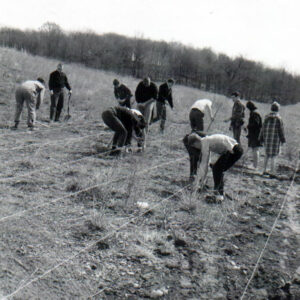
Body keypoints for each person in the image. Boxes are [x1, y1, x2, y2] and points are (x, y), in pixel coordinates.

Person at [185, 133, 243, 201]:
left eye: (195, 146)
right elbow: (207, 162)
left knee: (217, 169)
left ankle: (219, 195)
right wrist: (202, 181)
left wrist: (199, 182)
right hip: (235, 149)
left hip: (233, 150)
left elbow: (204, 164)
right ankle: (220, 192)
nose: (197, 148)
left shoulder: (204, 143)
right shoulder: (206, 140)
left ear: (195, 143)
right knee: (218, 168)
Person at [259, 101, 286, 175]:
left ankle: (264, 170)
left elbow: (262, 128)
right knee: (274, 156)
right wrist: (283, 139)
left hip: (267, 138)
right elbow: (281, 130)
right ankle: (272, 172)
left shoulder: (266, 117)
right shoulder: (278, 119)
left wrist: (261, 138)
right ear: (278, 109)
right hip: (275, 139)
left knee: (267, 154)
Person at [246, 101, 262, 169]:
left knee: (255, 149)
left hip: (255, 134)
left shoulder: (254, 113)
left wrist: (248, 126)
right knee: (255, 149)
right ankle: (255, 165)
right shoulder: (255, 112)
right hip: (255, 133)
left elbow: (256, 124)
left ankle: (255, 166)